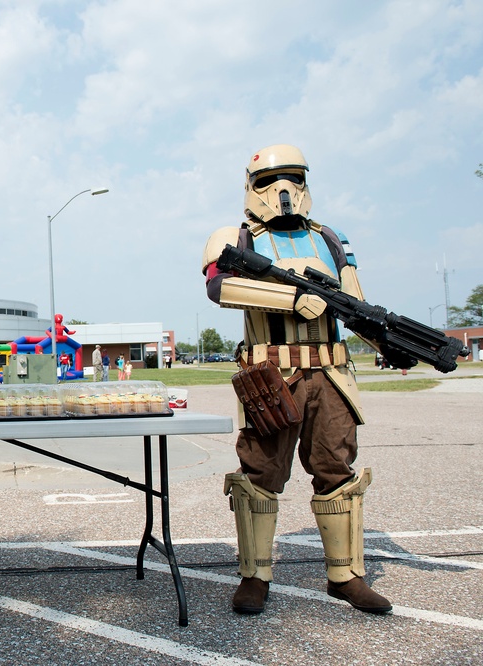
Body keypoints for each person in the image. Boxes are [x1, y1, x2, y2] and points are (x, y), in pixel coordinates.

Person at [202, 144, 391, 616]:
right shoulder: (238, 236)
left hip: (331, 372)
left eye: (292, 178)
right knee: (261, 471)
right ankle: (255, 575)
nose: (282, 191)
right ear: (251, 185)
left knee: (336, 468)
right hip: (271, 372)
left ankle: (346, 574)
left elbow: (356, 303)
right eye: (269, 181)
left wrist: (392, 340)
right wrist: (290, 300)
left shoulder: (329, 238)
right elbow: (218, 285)